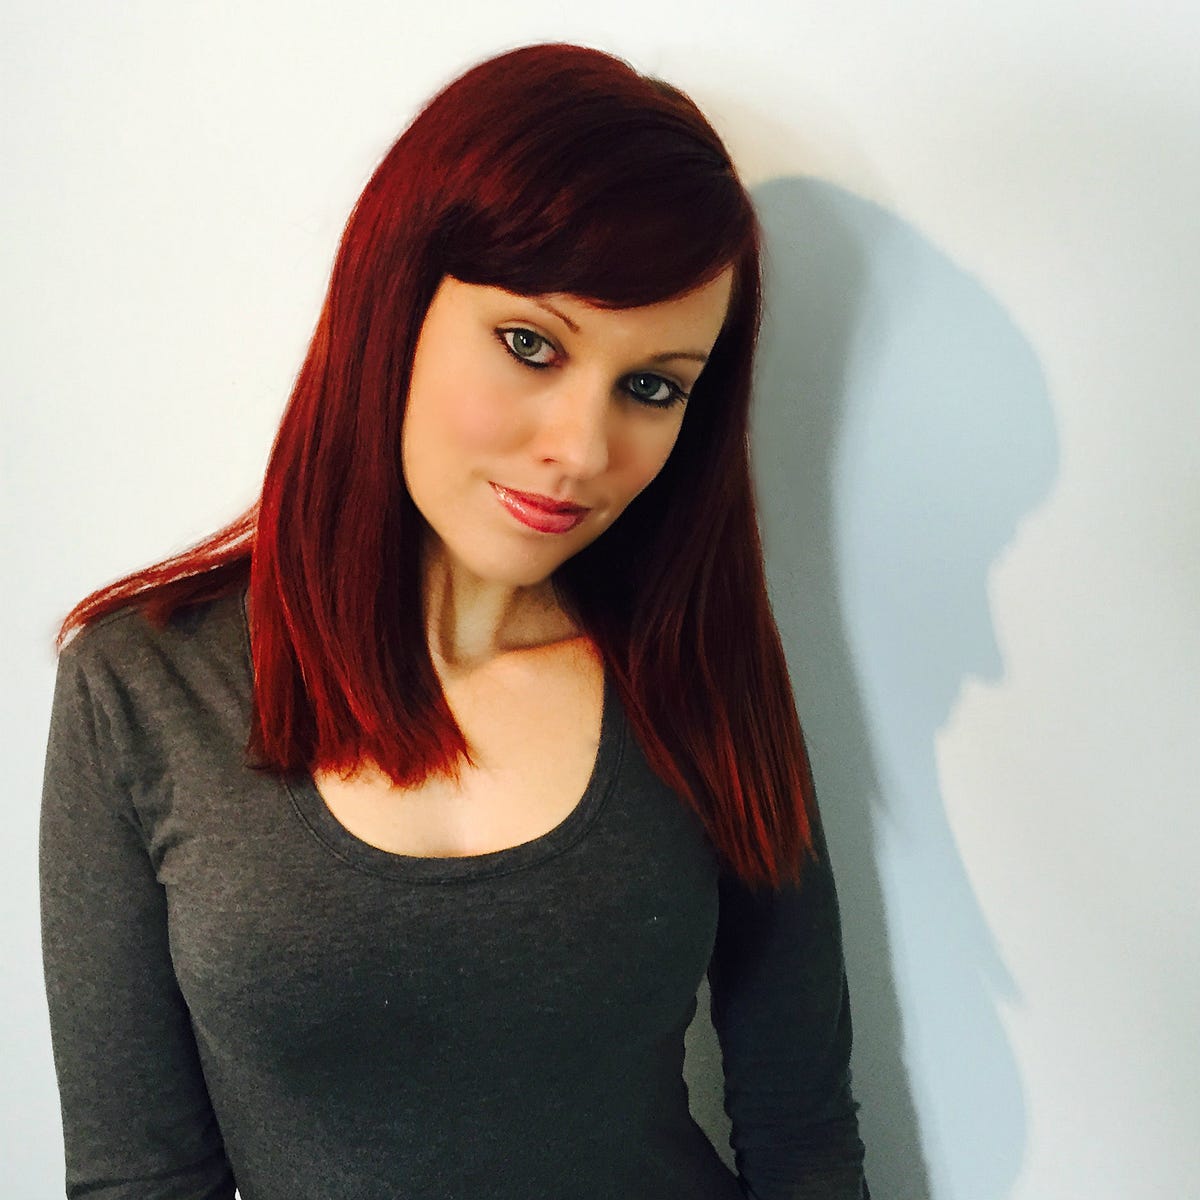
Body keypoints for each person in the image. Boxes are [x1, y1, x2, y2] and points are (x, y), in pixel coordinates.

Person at [39, 42, 870, 1200]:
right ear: (395, 306)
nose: (581, 449)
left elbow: (801, 1129)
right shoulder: (143, 687)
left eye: (652, 386)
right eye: (531, 344)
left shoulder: (698, 673)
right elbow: (138, 1177)